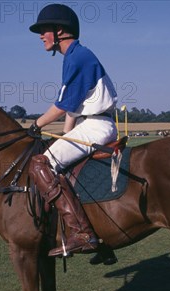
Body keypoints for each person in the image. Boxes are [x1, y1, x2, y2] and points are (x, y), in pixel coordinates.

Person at [27, 4, 118, 258]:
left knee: (39, 164)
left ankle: (82, 234)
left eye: (44, 30)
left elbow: (62, 105)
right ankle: (104, 239)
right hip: (88, 123)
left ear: (59, 31)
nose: (41, 35)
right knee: (62, 167)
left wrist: (36, 124)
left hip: (96, 126)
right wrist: (65, 135)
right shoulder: (75, 56)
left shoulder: (78, 57)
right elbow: (72, 109)